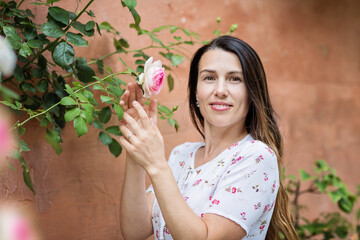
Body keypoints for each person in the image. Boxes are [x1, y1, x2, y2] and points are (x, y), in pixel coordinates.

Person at [119, 36, 299, 240]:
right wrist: (136, 149)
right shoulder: (182, 155)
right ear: (196, 91)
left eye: (235, 79)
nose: (220, 91)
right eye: (209, 78)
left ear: (252, 93)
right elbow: (135, 230)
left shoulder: (256, 156)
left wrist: (157, 165)